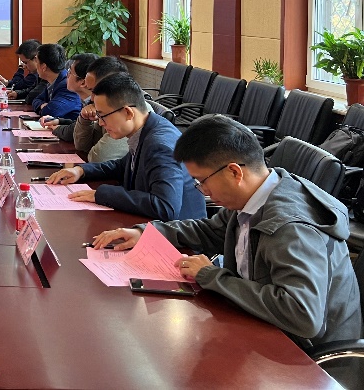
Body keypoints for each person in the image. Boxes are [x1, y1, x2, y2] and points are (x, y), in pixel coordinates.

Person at [92, 115, 362, 347]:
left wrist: (212, 276)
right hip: (261, 323)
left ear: (234, 172)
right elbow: (212, 231)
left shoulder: (290, 227)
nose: (203, 191)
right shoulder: (258, 193)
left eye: (202, 181)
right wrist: (147, 233)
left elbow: (303, 315)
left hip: (304, 354)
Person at [46, 73, 204, 220]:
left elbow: (165, 206)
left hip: (177, 236)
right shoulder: (147, 129)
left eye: (103, 116)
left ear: (128, 113)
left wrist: (101, 194)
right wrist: (81, 171)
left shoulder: (159, 145)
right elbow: (123, 166)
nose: (100, 123)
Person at [63, 56, 130, 163]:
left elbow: (98, 159)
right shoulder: (105, 110)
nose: (92, 98)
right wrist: (85, 120)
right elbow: (82, 146)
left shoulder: (123, 112)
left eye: (95, 91)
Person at [46, 52, 97, 144]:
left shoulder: (97, 105)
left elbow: (73, 132)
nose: (66, 75)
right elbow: (77, 123)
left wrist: (57, 129)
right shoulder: (86, 100)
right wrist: (59, 121)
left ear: (83, 82)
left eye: (70, 72)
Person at [30, 43, 83, 121]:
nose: (36, 65)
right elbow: (35, 100)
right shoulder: (52, 81)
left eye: (36, 61)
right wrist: (42, 105)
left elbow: (50, 112)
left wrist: (44, 107)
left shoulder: (67, 84)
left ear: (43, 67)